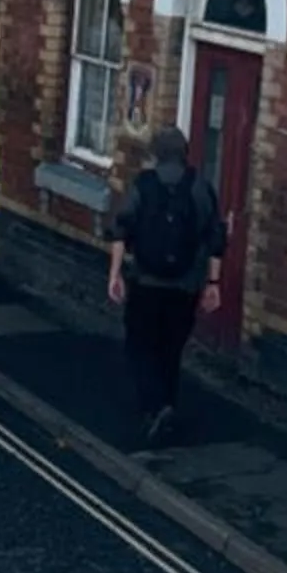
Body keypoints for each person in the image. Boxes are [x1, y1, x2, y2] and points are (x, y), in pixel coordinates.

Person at [107, 126, 226, 446]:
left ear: (155, 153)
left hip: (146, 281)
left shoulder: (143, 185)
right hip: (185, 286)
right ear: (185, 152)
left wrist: (115, 274)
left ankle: (156, 406)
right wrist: (213, 283)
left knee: (139, 345)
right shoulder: (200, 187)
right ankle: (167, 407)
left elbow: (120, 229)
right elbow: (216, 238)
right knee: (171, 349)